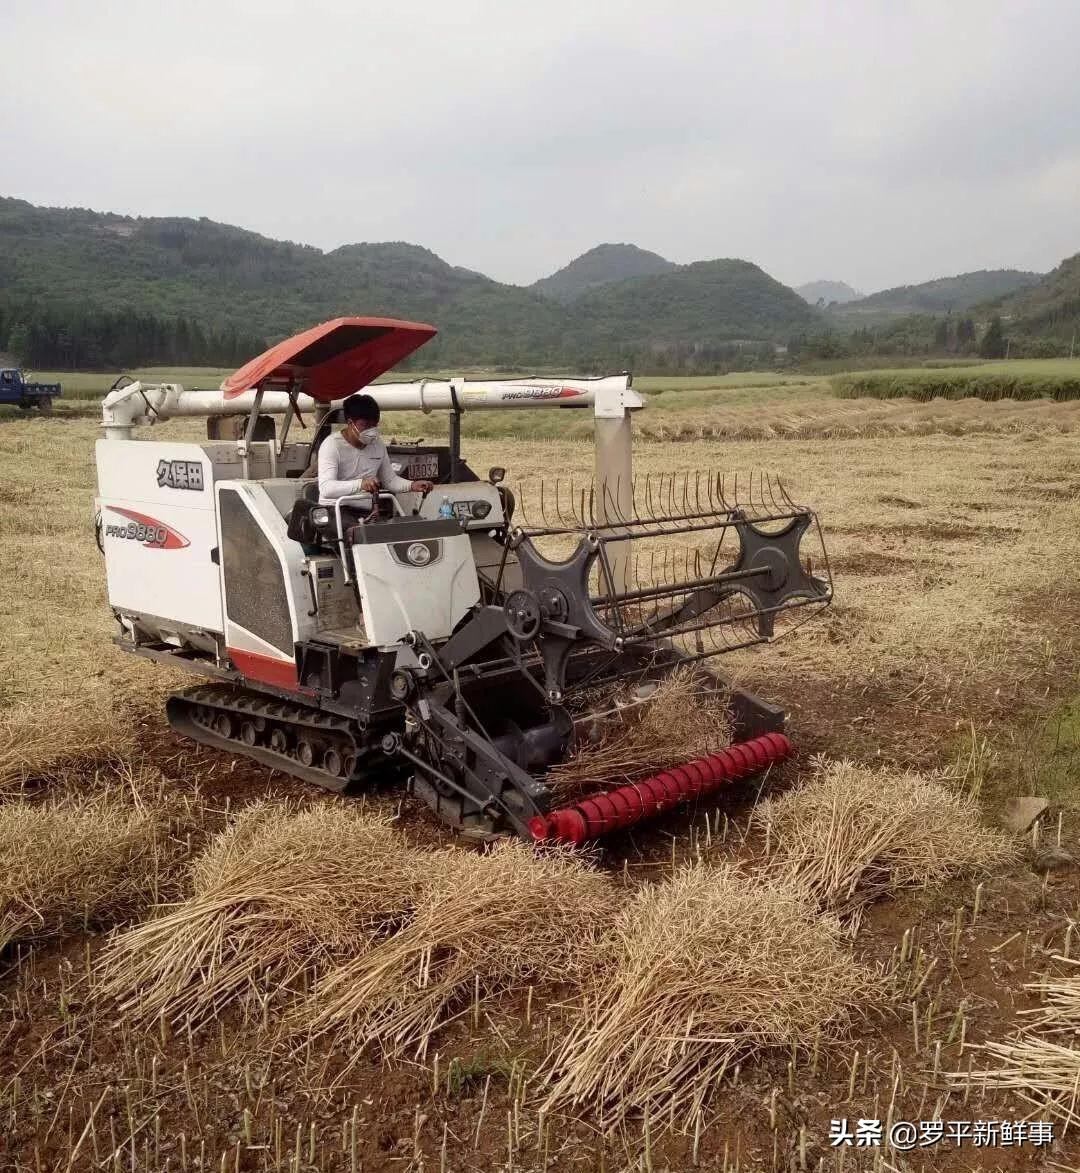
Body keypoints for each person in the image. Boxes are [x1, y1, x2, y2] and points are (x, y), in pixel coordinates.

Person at [317, 393, 433, 505]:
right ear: (350, 423)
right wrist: (360, 484)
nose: (371, 430)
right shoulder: (332, 445)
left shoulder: (378, 445)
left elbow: (390, 480)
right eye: (365, 425)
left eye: (374, 425)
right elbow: (327, 488)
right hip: (336, 509)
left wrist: (412, 485)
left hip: (368, 511)